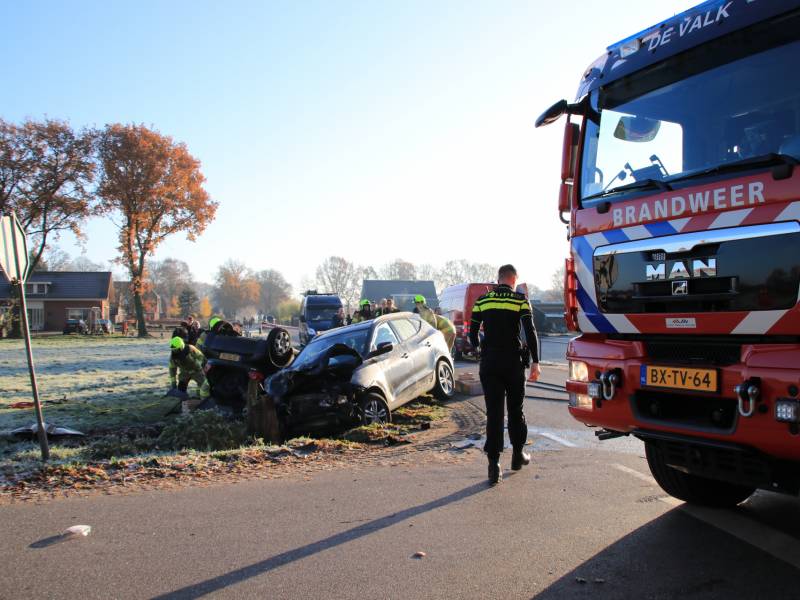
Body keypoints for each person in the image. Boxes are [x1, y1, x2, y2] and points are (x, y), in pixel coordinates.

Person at [469, 264, 540, 486]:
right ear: (513, 280)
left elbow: (472, 332)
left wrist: (479, 348)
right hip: (513, 363)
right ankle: (518, 456)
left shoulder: (482, 301)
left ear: (499, 279)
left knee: (494, 413)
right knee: (516, 410)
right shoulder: (520, 301)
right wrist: (536, 362)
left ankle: (494, 465)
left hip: (490, 363)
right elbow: (530, 332)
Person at [168, 336, 210, 411]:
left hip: (197, 371)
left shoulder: (191, 348)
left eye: (176, 349)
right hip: (184, 373)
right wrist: (173, 383)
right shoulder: (173, 357)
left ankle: (201, 402)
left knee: (203, 386)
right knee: (181, 388)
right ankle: (182, 404)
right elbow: (172, 369)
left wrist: (199, 365)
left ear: (181, 346)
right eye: (173, 350)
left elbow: (201, 356)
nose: (174, 351)